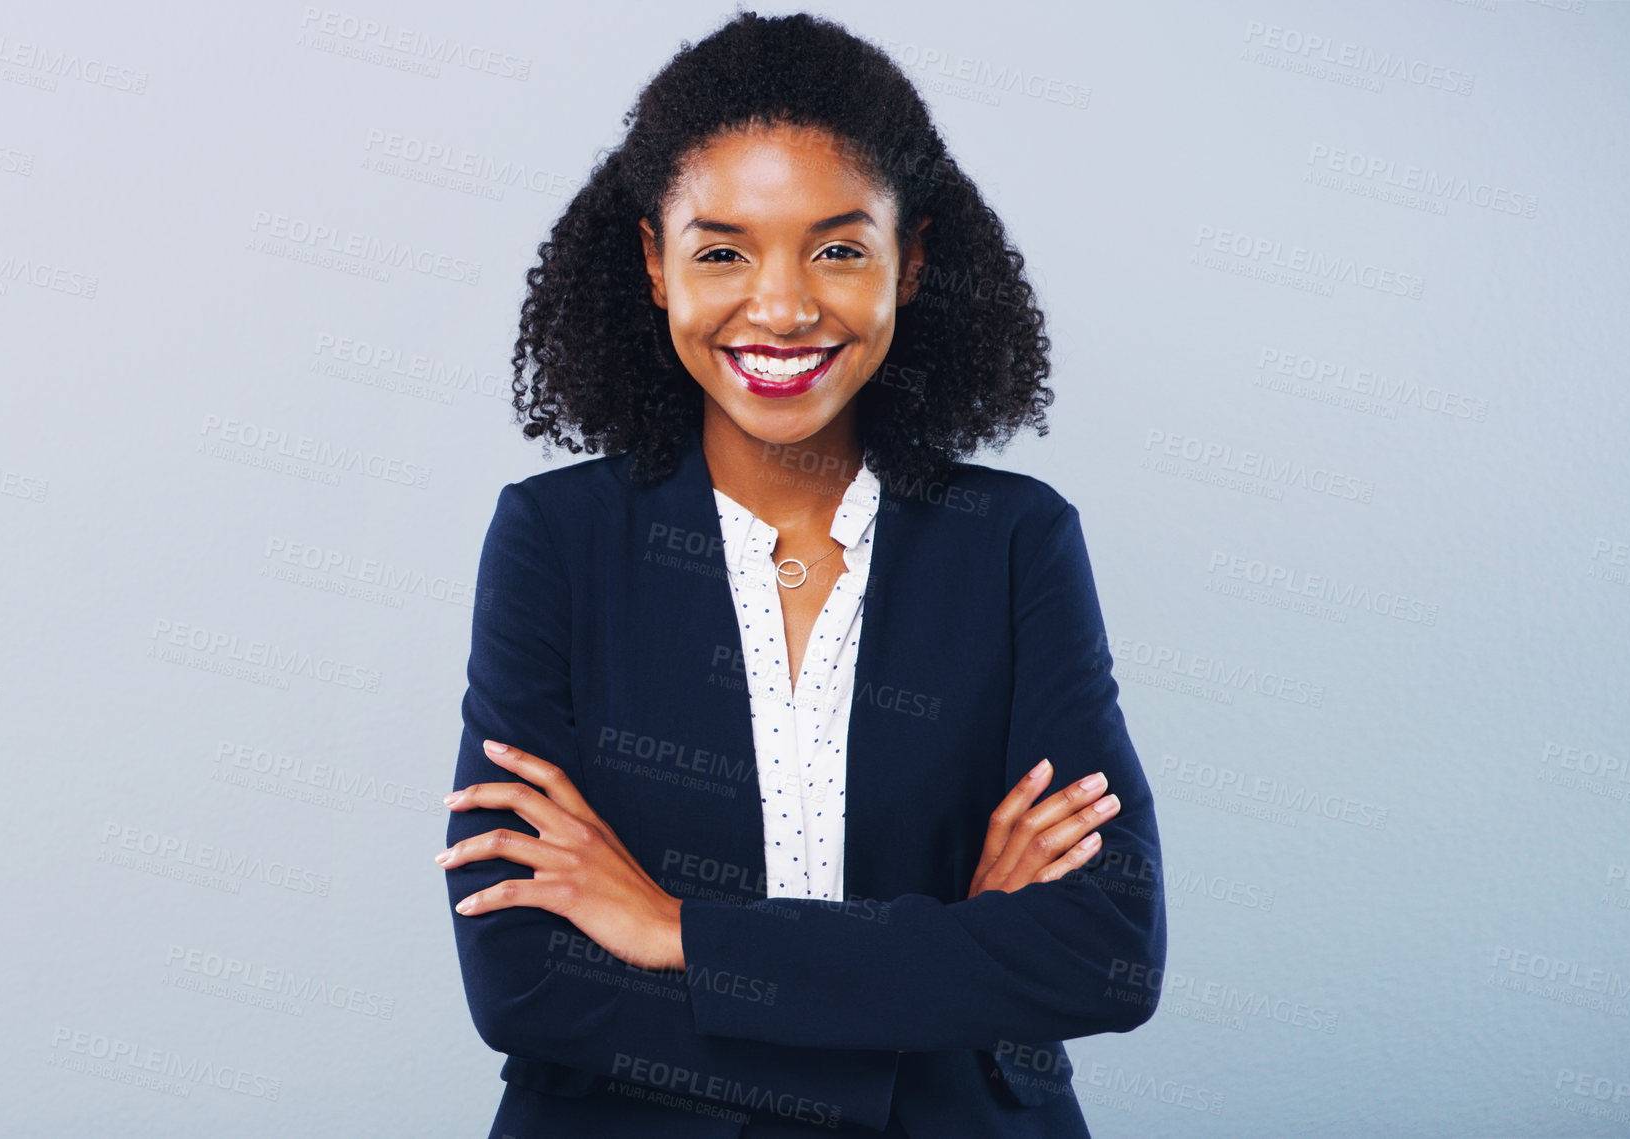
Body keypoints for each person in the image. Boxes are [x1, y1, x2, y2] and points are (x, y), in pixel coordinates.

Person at [437, 11, 1167, 1137]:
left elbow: (1104, 952)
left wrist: (674, 928)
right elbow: (526, 979)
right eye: (721, 250)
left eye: (836, 248)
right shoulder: (556, 539)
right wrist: (945, 968)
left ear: (910, 260)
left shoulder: (1013, 542)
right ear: (651, 261)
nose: (779, 307)